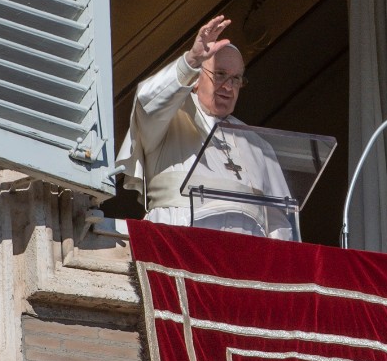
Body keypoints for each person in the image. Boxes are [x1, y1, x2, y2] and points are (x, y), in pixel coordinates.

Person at [115, 15, 294, 239]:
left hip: (245, 259)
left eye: (236, 79)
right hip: (181, 242)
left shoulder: (257, 145)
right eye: (220, 75)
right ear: (197, 77)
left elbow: (281, 223)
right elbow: (147, 100)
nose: (228, 87)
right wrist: (191, 60)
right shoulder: (167, 121)